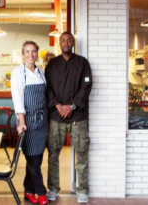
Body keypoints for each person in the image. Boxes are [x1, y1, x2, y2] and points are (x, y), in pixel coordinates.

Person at [45, 32, 92, 203]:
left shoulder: (82, 63)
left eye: (69, 40)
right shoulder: (51, 64)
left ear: (73, 42)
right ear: (59, 43)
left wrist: (71, 106)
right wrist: (58, 106)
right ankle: (53, 188)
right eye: (63, 40)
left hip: (78, 115)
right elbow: (48, 88)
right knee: (53, 154)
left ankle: (82, 189)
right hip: (56, 116)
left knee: (82, 152)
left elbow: (86, 86)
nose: (66, 42)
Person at [11, 41, 48, 205]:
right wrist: (22, 122)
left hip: (42, 121)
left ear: (37, 53)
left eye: (33, 51)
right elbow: (17, 99)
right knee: (33, 160)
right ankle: (41, 192)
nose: (31, 55)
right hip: (28, 122)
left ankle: (28, 190)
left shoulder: (41, 72)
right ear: (23, 53)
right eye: (27, 51)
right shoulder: (18, 73)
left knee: (37, 159)